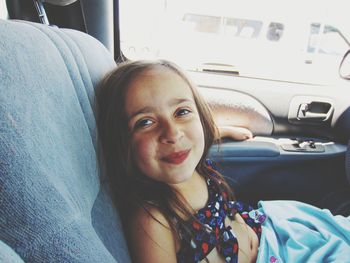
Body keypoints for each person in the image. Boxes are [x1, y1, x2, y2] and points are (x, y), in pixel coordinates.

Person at [96, 59, 350, 263]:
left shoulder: (188, 159)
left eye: (182, 112)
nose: (173, 134)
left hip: (266, 232)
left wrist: (224, 130)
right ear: (121, 142)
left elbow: (199, 133)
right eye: (145, 122)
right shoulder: (153, 219)